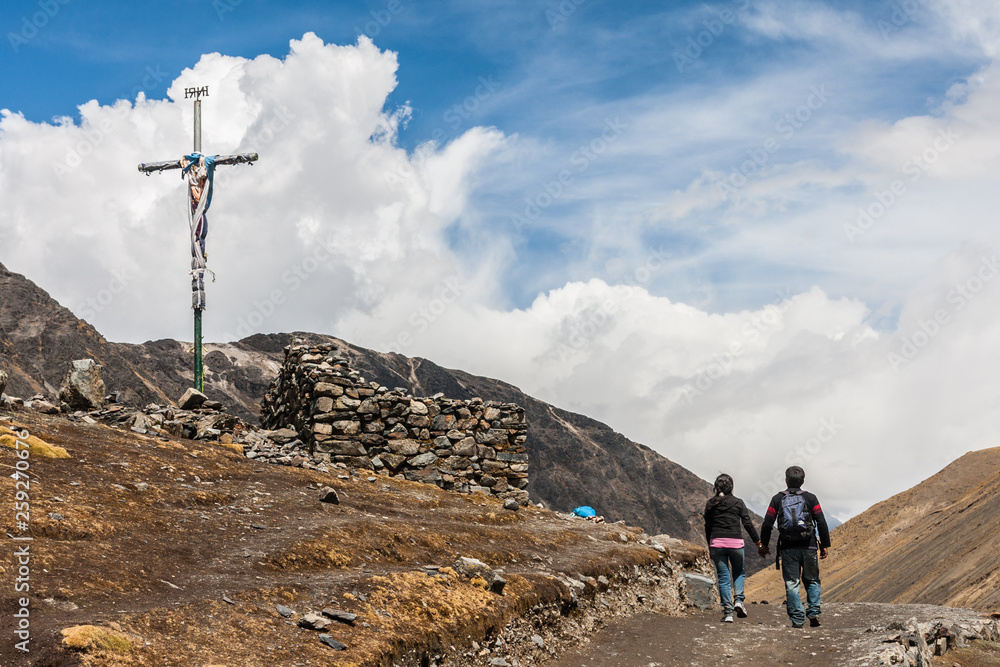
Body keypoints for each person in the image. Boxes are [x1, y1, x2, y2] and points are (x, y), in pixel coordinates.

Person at [758, 465, 831, 628]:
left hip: (788, 548)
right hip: (809, 546)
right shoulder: (811, 498)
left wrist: (763, 546)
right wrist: (825, 544)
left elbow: (767, 524)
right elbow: (821, 522)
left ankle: (798, 619)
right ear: (803, 481)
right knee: (812, 580)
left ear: (786, 480)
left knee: (792, 582)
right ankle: (813, 612)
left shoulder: (777, 499)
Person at [704, 473, 762, 623]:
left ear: (716, 487)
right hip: (736, 543)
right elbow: (747, 524)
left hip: (717, 543)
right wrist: (758, 542)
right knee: (739, 572)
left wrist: (710, 543)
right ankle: (739, 601)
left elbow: (708, 526)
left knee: (723, 578)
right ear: (732, 487)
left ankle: (728, 613)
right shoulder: (738, 503)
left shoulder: (710, 504)